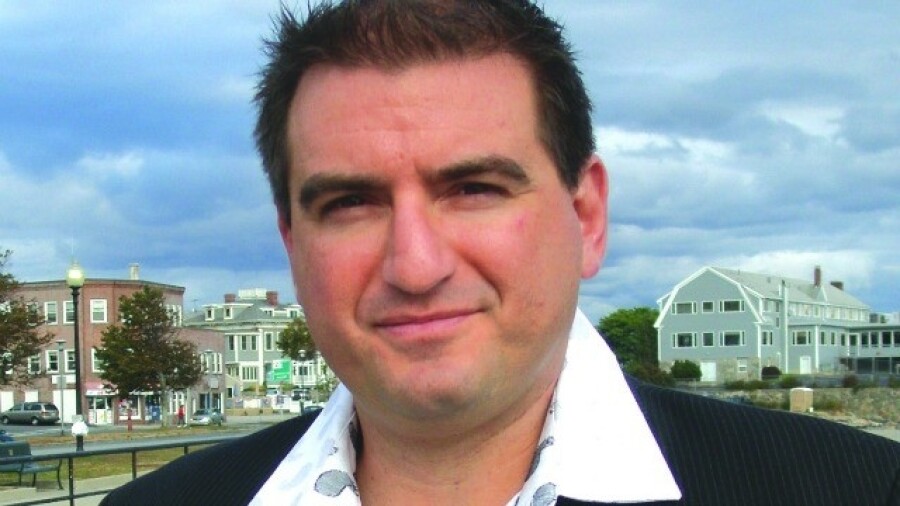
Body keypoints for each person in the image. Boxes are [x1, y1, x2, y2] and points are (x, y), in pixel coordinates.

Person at [103, 1, 899, 505]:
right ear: (291, 240)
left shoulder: (852, 490)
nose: (415, 266)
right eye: (349, 204)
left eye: (474, 189)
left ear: (587, 217)